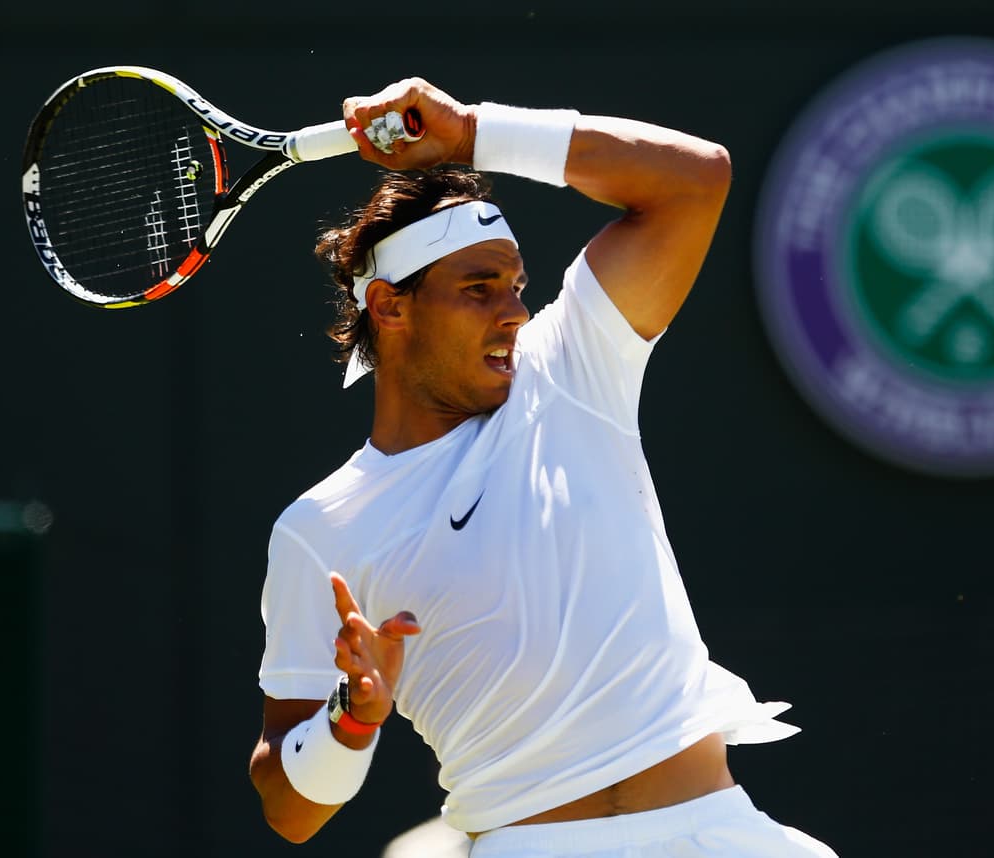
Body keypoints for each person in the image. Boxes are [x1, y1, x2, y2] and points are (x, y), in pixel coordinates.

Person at [247, 76, 838, 858]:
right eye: (479, 289)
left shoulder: (568, 368)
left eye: (517, 287)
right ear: (390, 308)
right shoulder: (320, 531)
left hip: (721, 835)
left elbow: (696, 178)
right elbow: (290, 809)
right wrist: (350, 717)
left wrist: (469, 135)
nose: (516, 312)